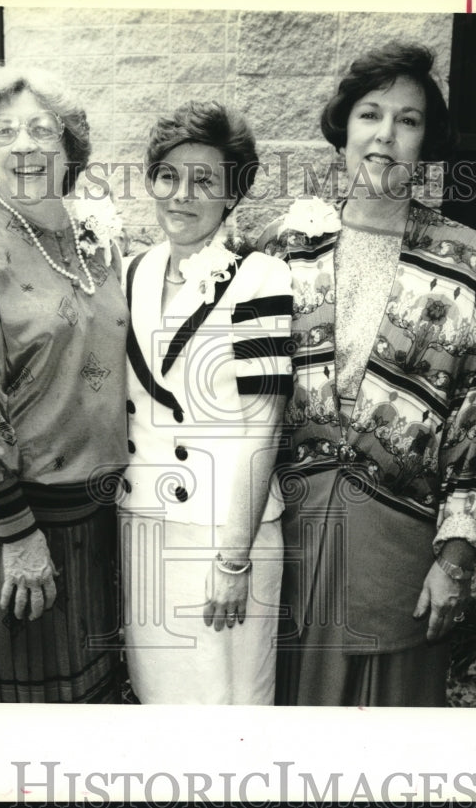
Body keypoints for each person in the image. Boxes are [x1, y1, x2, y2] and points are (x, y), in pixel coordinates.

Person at [257, 42, 476, 706]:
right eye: (370, 114)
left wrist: (454, 560)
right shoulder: (285, 250)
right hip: (290, 533)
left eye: (408, 119)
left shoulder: (473, 267)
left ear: (427, 142)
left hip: (398, 542)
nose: (385, 136)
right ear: (343, 129)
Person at [0, 65, 127, 702]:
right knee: (7, 716)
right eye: (4, 132)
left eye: (42, 131)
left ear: (70, 149)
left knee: (83, 713)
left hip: (91, 518)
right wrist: (17, 532)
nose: (24, 146)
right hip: (2, 521)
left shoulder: (99, 239)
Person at [119, 101, 293, 704]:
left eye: (204, 181)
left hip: (226, 532)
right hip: (143, 524)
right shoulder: (129, 272)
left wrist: (234, 561)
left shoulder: (260, 279)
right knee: (161, 703)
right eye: (167, 176)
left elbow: (263, 427)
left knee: (230, 705)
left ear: (232, 195)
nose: (181, 194)